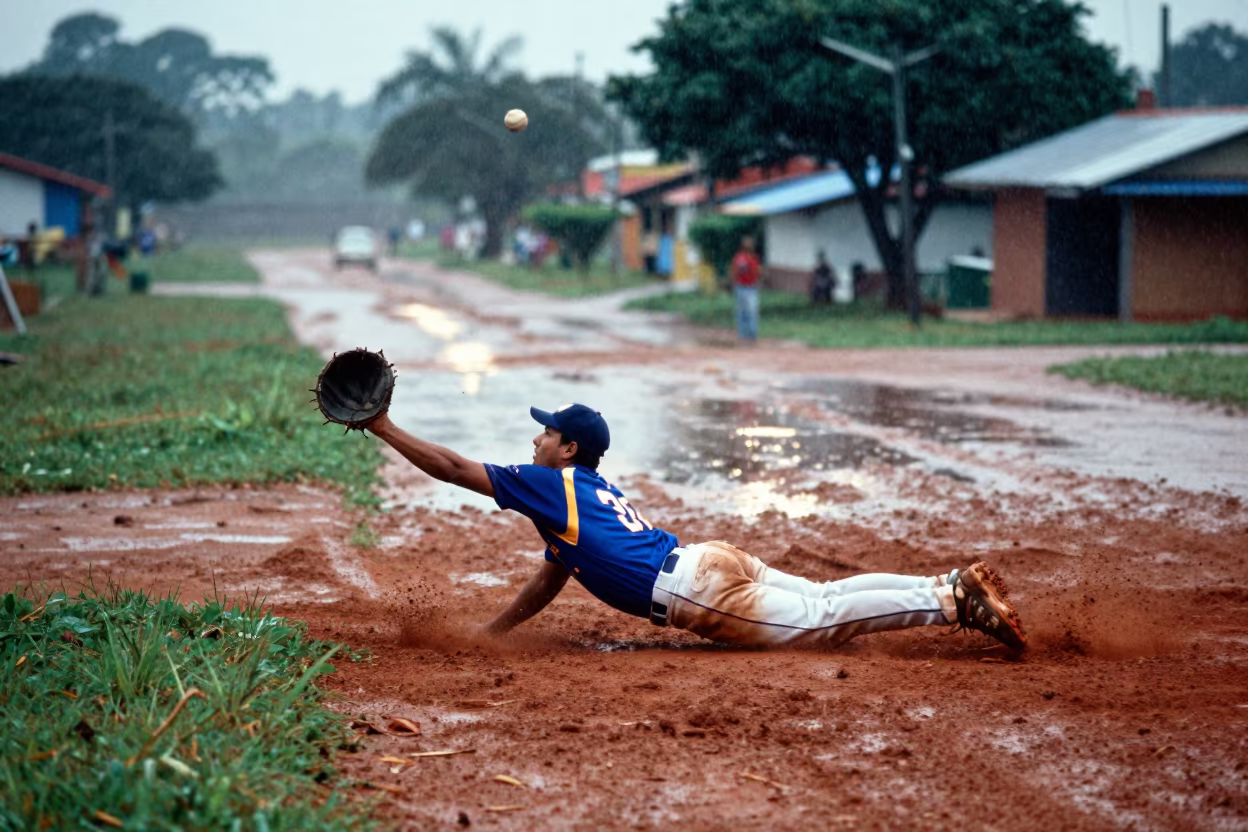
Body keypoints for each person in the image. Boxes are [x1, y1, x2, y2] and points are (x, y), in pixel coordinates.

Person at [364, 403, 1027, 651]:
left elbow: (452, 467)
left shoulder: (549, 482)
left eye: (547, 431)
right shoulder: (585, 493)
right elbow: (549, 579)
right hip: (709, 562)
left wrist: (383, 427)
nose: (535, 438)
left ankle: (949, 599)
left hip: (696, 588)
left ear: (567, 449)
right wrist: (494, 635)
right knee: (826, 600)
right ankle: (944, 585)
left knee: (827, 624)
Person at [731, 236, 762, 342]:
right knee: (741, 311)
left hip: (751, 287)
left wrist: (757, 280)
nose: (748, 245)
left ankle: (752, 334)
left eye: (750, 243)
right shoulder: (739, 257)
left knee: (752, 311)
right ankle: (742, 334)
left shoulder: (754, 258)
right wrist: (734, 282)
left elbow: (757, 272)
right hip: (740, 287)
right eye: (746, 243)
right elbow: (734, 270)